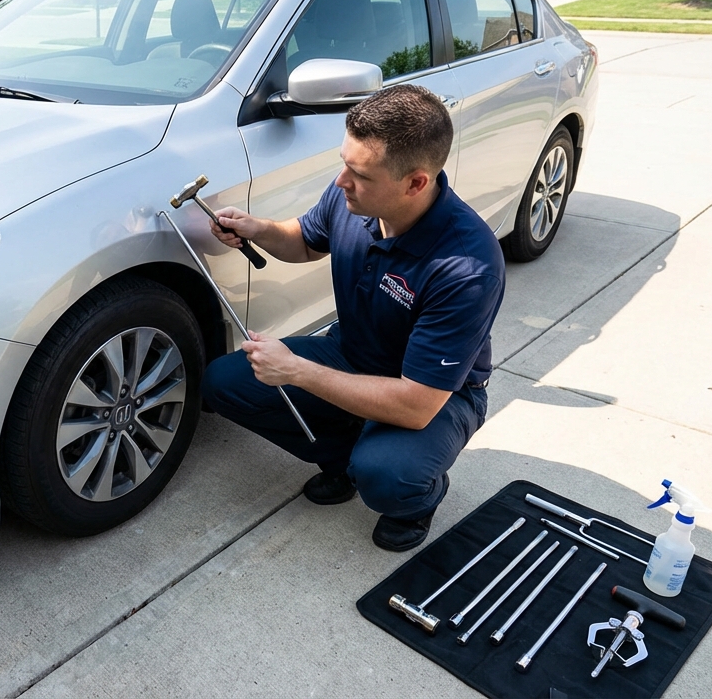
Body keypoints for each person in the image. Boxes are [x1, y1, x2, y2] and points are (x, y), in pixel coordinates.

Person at [201, 84, 505, 551]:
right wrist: (256, 228)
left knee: (387, 474)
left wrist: (298, 372)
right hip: (353, 351)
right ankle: (346, 456)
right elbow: (304, 240)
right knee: (225, 382)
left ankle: (418, 497)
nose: (342, 180)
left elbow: (415, 404)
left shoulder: (466, 267)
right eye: (344, 163)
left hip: (437, 395)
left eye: (359, 173)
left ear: (415, 182)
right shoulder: (357, 194)